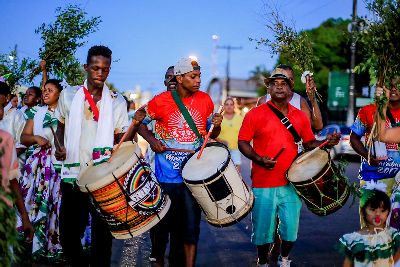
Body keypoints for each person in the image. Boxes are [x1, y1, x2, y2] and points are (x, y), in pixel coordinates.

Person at [238, 69, 339, 267]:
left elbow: (309, 143)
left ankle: (284, 258)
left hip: (291, 182)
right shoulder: (256, 114)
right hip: (263, 182)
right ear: (268, 88)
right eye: (274, 83)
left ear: (290, 88)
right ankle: (262, 260)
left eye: (283, 83)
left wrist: (326, 142)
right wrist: (258, 159)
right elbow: (242, 142)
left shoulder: (300, 116)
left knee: (290, 229)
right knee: (262, 230)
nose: (278, 86)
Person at [53, 45, 142, 266]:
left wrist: (135, 124)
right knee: (68, 235)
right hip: (74, 175)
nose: (100, 73)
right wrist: (59, 146)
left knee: (102, 239)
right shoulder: (69, 95)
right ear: (86, 67)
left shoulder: (116, 101)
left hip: (103, 177)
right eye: (95, 68)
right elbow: (60, 125)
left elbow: (122, 138)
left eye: (105, 69)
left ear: (109, 71)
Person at [139, 57, 222, 267]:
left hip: (193, 180)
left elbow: (212, 132)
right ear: (180, 77)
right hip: (165, 178)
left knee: (189, 230)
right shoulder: (160, 100)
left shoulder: (205, 100)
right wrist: (152, 140)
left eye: (199, 76)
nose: (198, 81)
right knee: (160, 232)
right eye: (193, 77)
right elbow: (140, 124)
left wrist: (218, 125)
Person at [18, 79, 64, 262]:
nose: (45, 93)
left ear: (60, 94)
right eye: (44, 90)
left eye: (50, 90)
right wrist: (36, 138)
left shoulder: (65, 114)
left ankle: (52, 247)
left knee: (56, 205)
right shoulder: (36, 114)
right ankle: (32, 245)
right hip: (38, 168)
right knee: (34, 204)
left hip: (58, 166)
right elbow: (24, 137)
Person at [148, 65, 179, 263]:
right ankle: (157, 255)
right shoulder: (155, 103)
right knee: (159, 222)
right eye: (169, 77)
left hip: (184, 176)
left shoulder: (191, 104)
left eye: (176, 77)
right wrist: (152, 141)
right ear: (164, 81)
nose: (173, 81)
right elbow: (140, 126)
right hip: (158, 173)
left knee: (178, 224)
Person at [351, 79, 400, 200]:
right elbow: (354, 138)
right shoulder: (367, 111)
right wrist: (366, 155)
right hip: (372, 179)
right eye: (390, 85)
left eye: (397, 85)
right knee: (372, 218)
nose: (393, 88)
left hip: (398, 182)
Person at [338, 181, 400, 266]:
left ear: (388, 212)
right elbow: (347, 263)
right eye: (373, 210)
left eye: (382, 211)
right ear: (363, 212)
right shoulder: (355, 239)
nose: (378, 214)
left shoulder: (392, 234)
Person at [0, 128, 34, 265]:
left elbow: (13, 181)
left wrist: (24, 217)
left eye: (2, 106)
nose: (1, 112)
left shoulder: (6, 139)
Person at [257, 64, 323, 131]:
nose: (287, 83)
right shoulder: (263, 101)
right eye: (283, 79)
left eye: (290, 79)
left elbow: (318, 126)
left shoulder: (300, 101)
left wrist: (313, 99)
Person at [215, 97, 243, 170]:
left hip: (236, 148)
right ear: (223, 106)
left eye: (231, 104)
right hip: (222, 149)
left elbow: (244, 133)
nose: (229, 106)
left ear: (234, 106)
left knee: (237, 170)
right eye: (227, 104)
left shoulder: (240, 118)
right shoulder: (219, 119)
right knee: (223, 170)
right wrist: (221, 141)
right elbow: (213, 134)